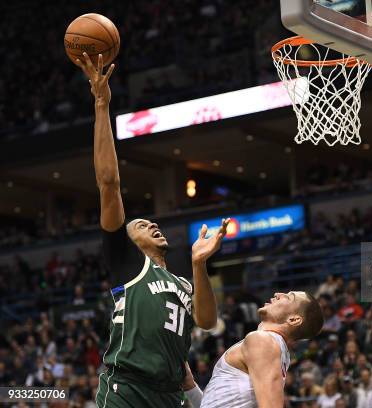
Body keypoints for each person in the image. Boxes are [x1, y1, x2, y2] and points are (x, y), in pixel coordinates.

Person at [75, 53, 228, 408]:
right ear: (127, 242)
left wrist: (199, 264)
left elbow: (206, 320)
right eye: (142, 225)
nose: (153, 224)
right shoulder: (127, 264)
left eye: (152, 222)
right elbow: (109, 183)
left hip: (169, 395)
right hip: (126, 388)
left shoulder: (184, 284)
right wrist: (101, 104)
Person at [183, 291, 324, 407]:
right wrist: (191, 387)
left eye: (287, 297)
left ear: (293, 319)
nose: (277, 294)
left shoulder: (263, 341)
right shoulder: (271, 348)